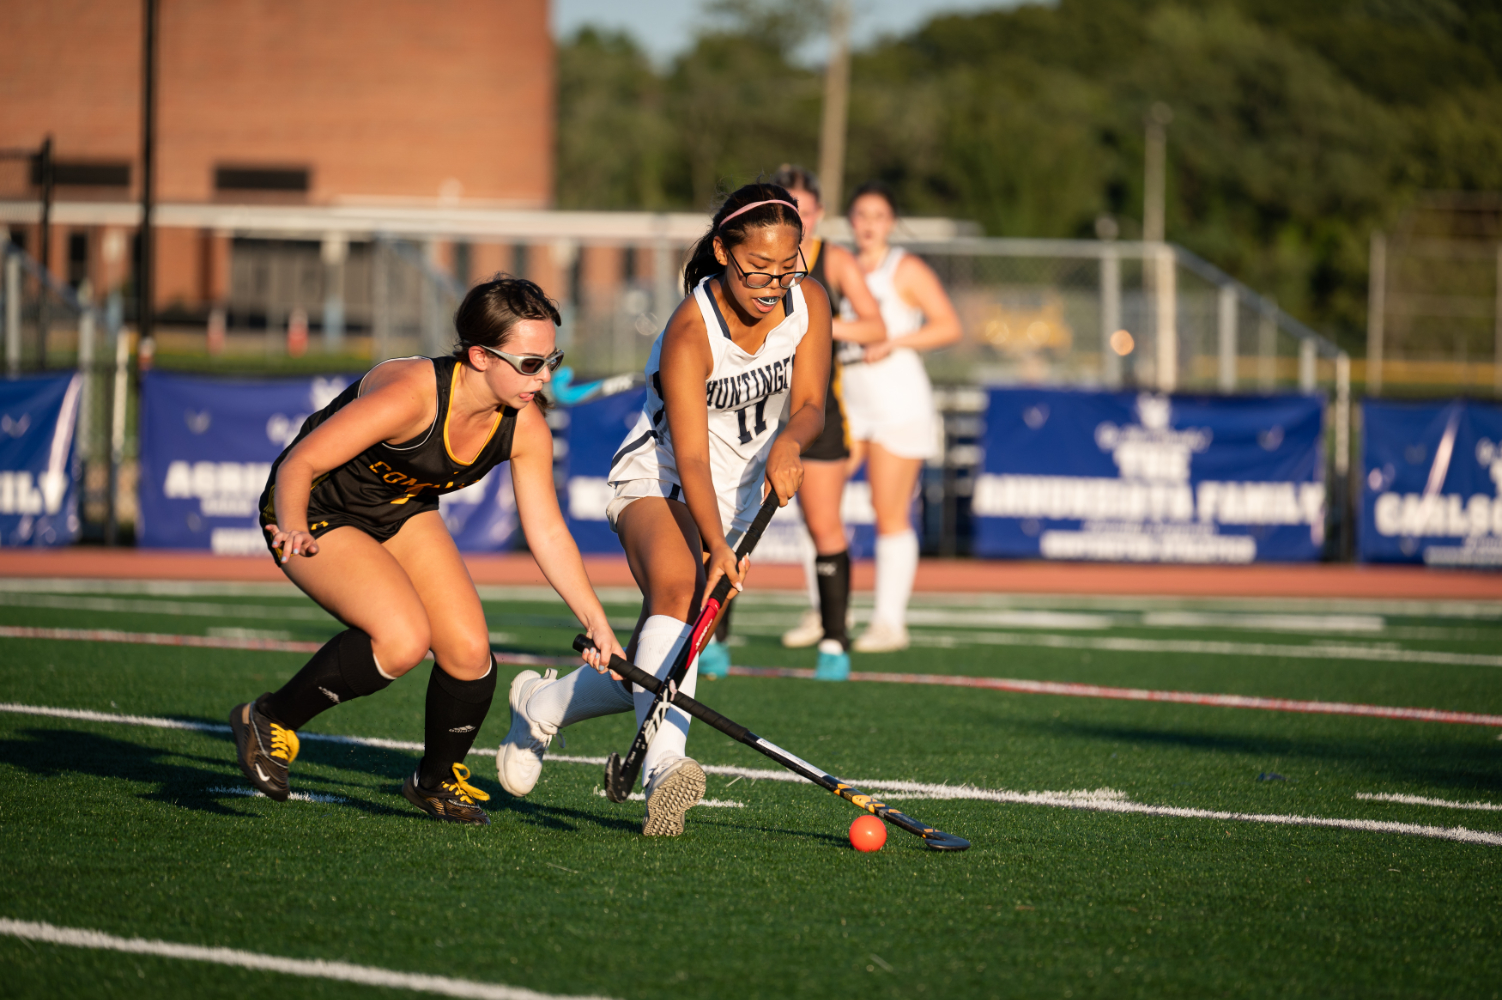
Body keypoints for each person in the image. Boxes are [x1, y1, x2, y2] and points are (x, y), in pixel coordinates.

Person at [497, 182, 832, 835]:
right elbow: (692, 457)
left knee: (667, 652)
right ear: (721, 251)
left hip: (737, 496)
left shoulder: (809, 299)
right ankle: (664, 768)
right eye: (756, 269)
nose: (773, 283)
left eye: (787, 266)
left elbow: (814, 402)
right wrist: (717, 547)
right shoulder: (691, 329)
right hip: (661, 476)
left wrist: (792, 439)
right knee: (680, 590)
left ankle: (543, 705)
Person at [231, 276, 625, 826]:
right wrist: (293, 526)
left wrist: (596, 619)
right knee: (401, 640)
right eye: (531, 363)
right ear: (481, 356)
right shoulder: (412, 396)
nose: (546, 377)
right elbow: (300, 464)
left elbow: (548, 533)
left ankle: (435, 780)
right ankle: (268, 717)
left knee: (469, 654)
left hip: (402, 510)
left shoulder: (524, 425)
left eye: (551, 359)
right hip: (314, 509)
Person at [767, 165, 886, 681]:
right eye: (788, 209)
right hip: (755, 410)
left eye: (807, 210)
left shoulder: (831, 260)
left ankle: (835, 641)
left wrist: (816, 323)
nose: (800, 219)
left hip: (816, 412)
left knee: (824, 525)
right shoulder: (758, 257)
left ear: (817, 215)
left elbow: (876, 326)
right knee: (726, 527)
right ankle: (714, 644)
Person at [840, 182, 962, 652]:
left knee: (888, 511)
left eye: (878, 215)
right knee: (816, 499)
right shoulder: (840, 266)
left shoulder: (904, 268)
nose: (869, 224)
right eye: (861, 214)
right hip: (851, 401)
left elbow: (948, 325)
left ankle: (890, 622)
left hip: (897, 402)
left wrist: (894, 340)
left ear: (891, 222)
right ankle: (827, 611)